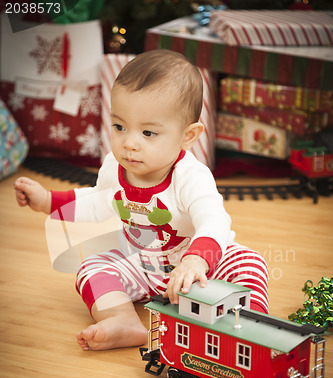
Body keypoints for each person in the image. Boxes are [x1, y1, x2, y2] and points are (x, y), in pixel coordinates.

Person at [14, 49, 269, 352]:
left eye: (148, 132)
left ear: (188, 136)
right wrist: (47, 201)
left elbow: (214, 220)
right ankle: (123, 321)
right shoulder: (114, 167)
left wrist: (195, 260)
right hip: (144, 266)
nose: (129, 142)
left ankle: (251, 326)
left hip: (202, 269)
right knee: (90, 269)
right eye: (119, 126)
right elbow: (97, 201)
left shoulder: (190, 176)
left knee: (250, 263)